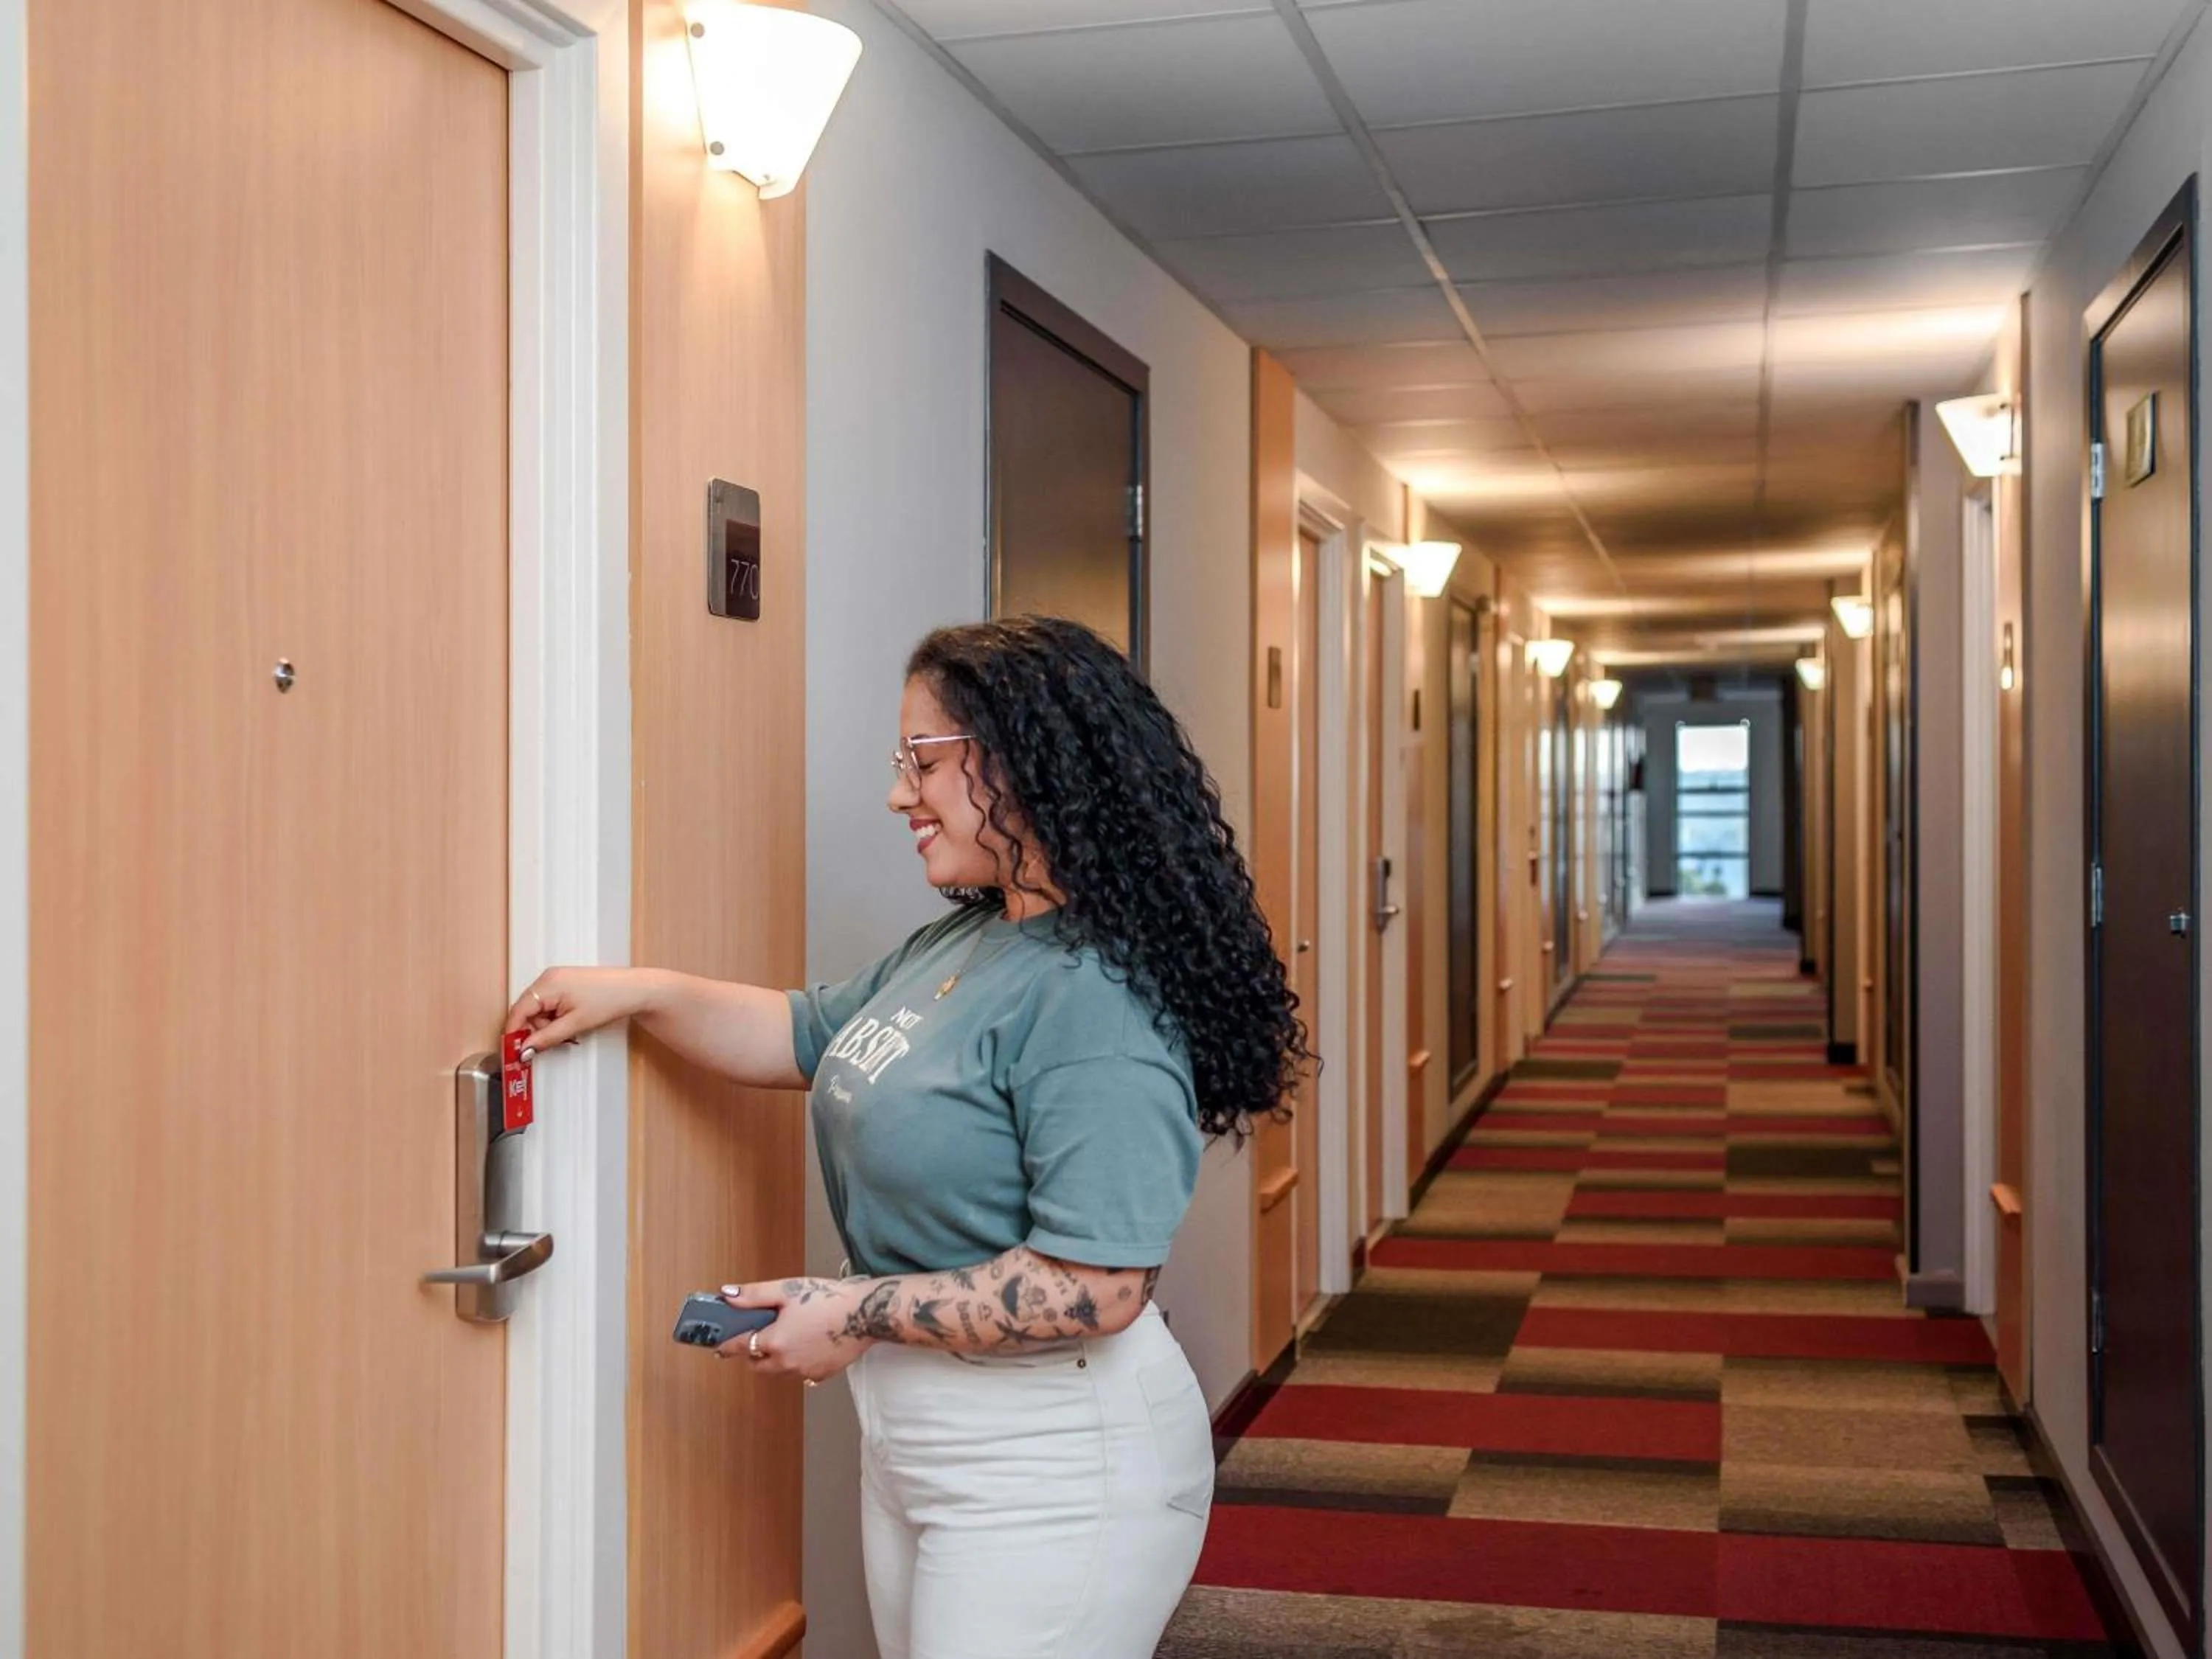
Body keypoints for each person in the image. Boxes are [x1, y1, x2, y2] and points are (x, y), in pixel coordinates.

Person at [508, 616, 1311, 1659]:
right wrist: (636, 993)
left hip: (1054, 1461)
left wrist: (854, 1309)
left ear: (1023, 761)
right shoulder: (976, 936)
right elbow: (805, 1032)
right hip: (920, 1434)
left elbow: (1098, 1286)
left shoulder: (1095, 999)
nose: (900, 795)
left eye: (921, 761)